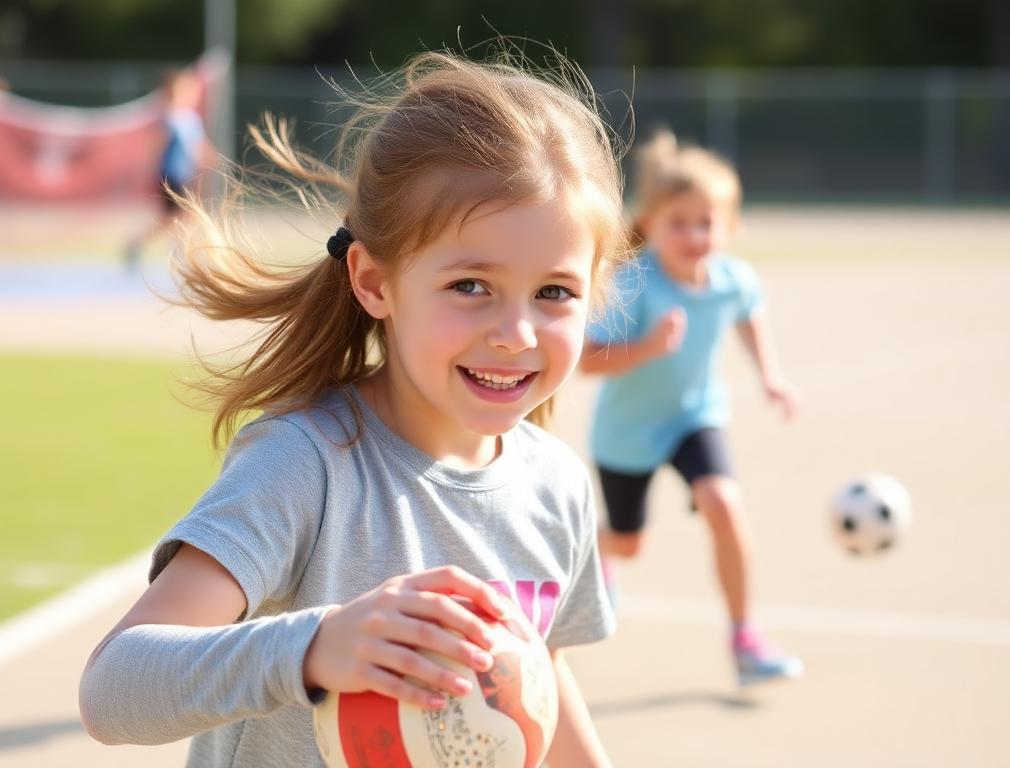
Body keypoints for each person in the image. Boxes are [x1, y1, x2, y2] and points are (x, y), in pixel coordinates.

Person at [79, 48, 629, 767]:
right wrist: (315, 647)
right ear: (374, 281)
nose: (516, 333)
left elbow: (537, 680)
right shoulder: (304, 466)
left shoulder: (555, 486)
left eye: (555, 293)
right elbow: (113, 690)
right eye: (470, 285)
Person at [579, 130, 803, 687]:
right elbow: (586, 361)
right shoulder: (632, 284)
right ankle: (598, 552)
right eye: (679, 222)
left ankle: (745, 638)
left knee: (723, 502)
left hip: (694, 418)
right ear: (650, 223)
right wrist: (647, 349)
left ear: (730, 227)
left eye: (708, 222)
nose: (695, 235)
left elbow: (750, 313)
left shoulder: (733, 279)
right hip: (628, 433)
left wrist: (771, 375)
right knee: (630, 543)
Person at [124, 68, 216, 270]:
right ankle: (170, 252)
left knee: (184, 217)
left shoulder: (191, 119)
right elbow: (157, 145)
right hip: (171, 176)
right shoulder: (170, 119)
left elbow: (198, 146)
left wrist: (211, 159)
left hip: (187, 176)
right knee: (177, 217)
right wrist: (147, 170)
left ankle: (175, 251)